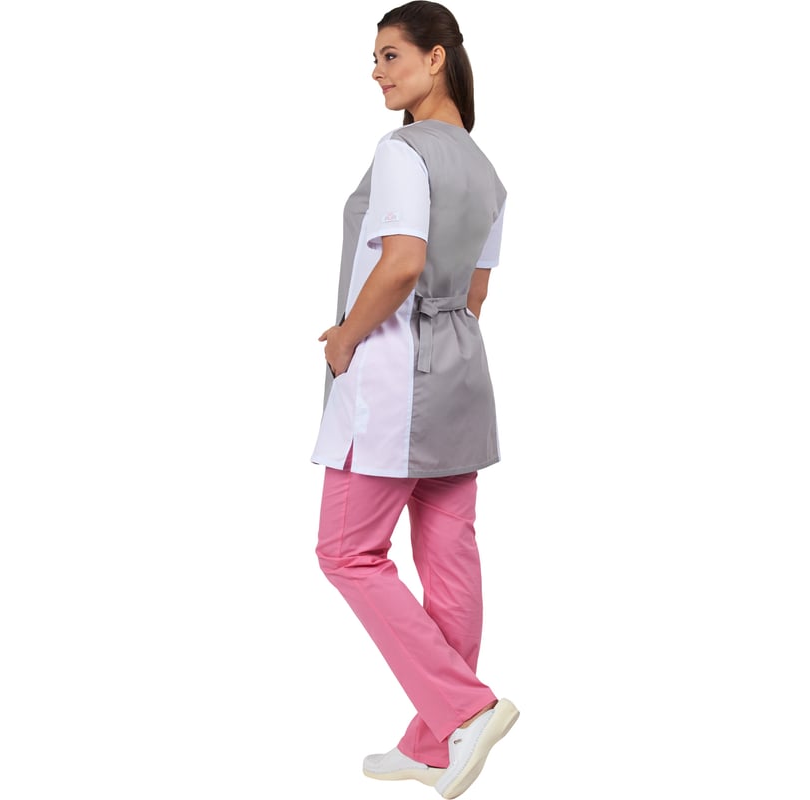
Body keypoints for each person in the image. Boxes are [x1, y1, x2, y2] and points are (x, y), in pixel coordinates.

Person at [311, 2, 517, 798]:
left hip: (396, 381)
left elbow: (400, 263)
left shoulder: (403, 150)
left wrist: (344, 338)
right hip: (461, 375)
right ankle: (437, 742)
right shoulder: (488, 172)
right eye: (375, 58)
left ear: (436, 59)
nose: (377, 72)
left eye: (390, 54)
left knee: (345, 552)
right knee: (448, 553)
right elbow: (475, 292)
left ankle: (463, 709)